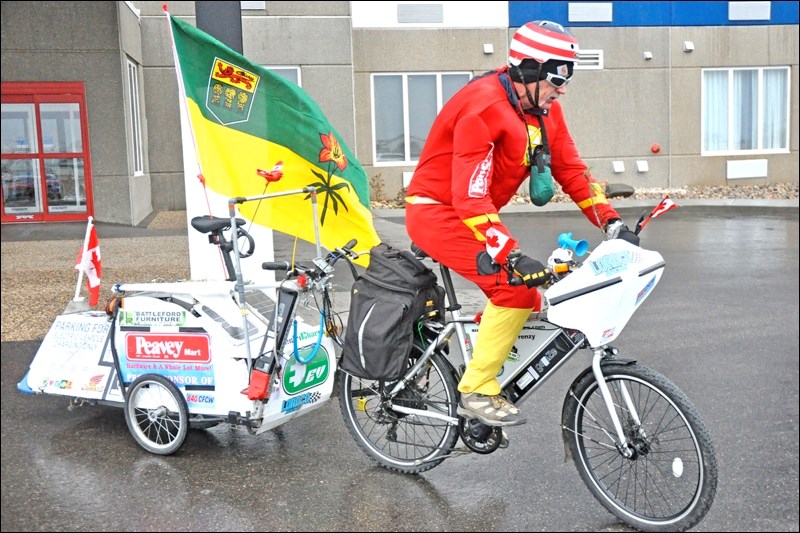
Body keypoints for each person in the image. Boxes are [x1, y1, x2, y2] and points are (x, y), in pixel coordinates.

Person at [405, 20, 639, 427]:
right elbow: (469, 196)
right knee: (514, 290)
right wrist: (509, 253)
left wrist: (611, 223)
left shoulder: (542, 109)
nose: (562, 88)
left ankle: (479, 359)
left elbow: (570, 169)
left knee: (526, 295)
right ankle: (476, 389)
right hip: (437, 212)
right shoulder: (482, 107)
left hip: (472, 213)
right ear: (527, 70)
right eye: (556, 78)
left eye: (568, 77)